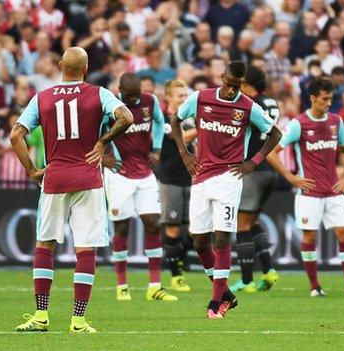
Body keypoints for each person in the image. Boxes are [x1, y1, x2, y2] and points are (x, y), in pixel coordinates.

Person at [11, 47, 134, 333]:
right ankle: (78, 320)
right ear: (86, 67)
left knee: (45, 244)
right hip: (88, 179)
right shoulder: (99, 93)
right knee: (85, 249)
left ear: (59, 66)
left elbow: (16, 134)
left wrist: (31, 170)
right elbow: (126, 118)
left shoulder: (42, 97)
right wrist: (103, 142)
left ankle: (41, 316)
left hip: (54, 179)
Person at [169, 61, 281, 319]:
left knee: (221, 239)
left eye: (237, 86)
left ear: (241, 83)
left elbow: (275, 134)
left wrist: (254, 162)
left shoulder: (248, 106)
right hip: (201, 177)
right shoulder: (201, 98)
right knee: (199, 241)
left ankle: (214, 303)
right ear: (222, 77)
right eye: (229, 84)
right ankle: (227, 295)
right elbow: (175, 119)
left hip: (229, 177)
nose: (231, 90)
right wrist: (185, 153)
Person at [266, 77, 344, 298]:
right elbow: (271, 152)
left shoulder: (336, 122)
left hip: (333, 190)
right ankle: (314, 286)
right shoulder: (298, 124)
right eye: (324, 99)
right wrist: (292, 178)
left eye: (331, 98)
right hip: (309, 192)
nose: (329, 102)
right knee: (310, 237)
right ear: (312, 98)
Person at [101, 73, 177, 302]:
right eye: (129, 96)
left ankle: (154, 286)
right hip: (118, 174)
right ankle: (122, 286)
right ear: (120, 90)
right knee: (122, 228)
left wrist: (157, 149)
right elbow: (94, 132)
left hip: (144, 172)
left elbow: (161, 121)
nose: (133, 100)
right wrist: (103, 157)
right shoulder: (110, 105)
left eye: (136, 96)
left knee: (153, 224)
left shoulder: (150, 101)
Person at [229, 65, 280, 293]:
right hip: (269, 169)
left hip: (252, 168)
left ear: (247, 85)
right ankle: (268, 270)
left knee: (241, 224)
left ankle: (247, 280)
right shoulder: (272, 102)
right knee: (253, 221)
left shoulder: (251, 105)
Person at [154, 79, 196, 292]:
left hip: (192, 178)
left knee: (195, 230)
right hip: (170, 179)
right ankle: (176, 276)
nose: (184, 99)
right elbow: (180, 137)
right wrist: (204, 127)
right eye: (180, 95)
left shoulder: (190, 119)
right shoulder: (164, 119)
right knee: (172, 227)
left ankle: (177, 259)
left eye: (185, 95)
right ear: (168, 98)